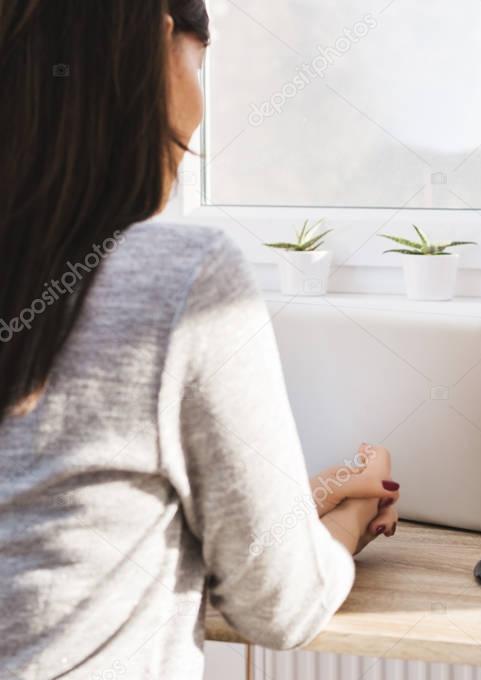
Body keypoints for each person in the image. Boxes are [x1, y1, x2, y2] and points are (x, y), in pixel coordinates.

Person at [0, 2, 397, 678]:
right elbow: (281, 607)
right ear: (158, 40)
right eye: (198, 66)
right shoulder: (181, 278)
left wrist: (296, 502)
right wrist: (355, 514)